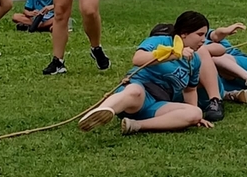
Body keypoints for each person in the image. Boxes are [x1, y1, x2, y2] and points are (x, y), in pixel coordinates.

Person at [78, 11, 214, 135]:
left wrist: (196, 118)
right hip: (139, 92)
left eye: (205, 35)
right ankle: (100, 112)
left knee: (195, 113)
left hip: (158, 104)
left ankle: (135, 125)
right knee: (134, 92)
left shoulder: (195, 60)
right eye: (200, 34)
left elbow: (190, 90)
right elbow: (138, 59)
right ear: (184, 33)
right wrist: (173, 54)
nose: (203, 40)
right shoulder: (160, 41)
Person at [201, 22, 247, 104]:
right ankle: (233, 95)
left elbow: (216, 35)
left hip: (240, 66)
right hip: (224, 82)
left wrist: (225, 30)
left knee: (210, 57)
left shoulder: (201, 33)